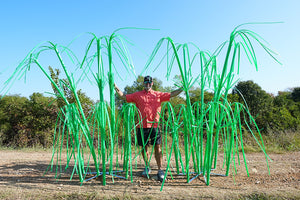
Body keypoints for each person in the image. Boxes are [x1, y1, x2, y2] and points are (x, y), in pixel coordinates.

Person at [114, 75, 182, 182]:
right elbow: (123, 96)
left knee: (157, 147)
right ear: (143, 83)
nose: (148, 84)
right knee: (144, 148)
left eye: (149, 83)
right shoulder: (137, 95)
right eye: (146, 83)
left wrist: (183, 88)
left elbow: (172, 94)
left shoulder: (158, 94)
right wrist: (115, 86)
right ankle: (147, 167)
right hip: (141, 126)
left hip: (154, 125)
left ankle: (160, 169)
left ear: (152, 83)